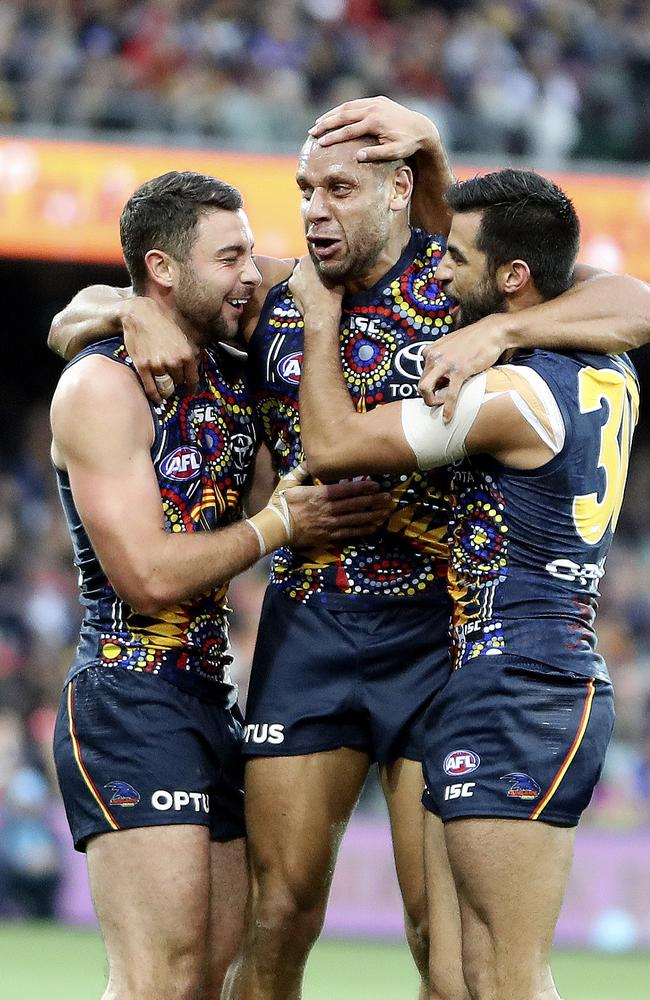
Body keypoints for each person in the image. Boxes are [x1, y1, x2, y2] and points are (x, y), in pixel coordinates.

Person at [47, 99, 650, 1000]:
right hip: (312, 630)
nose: (316, 210)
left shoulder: (459, 286)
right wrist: (127, 303)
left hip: (436, 639)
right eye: (304, 191)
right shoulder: (276, 295)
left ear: (399, 190)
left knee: (433, 936)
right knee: (279, 912)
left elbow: (633, 301)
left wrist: (500, 331)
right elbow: (111, 300)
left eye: (338, 188)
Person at [292, 167, 639, 1000]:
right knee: (474, 971)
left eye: (453, 258)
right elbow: (621, 296)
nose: (437, 273)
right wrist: (499, 331)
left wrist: (319, 318)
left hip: (525, 683)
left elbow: (334, 446)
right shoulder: (607, 361)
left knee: (510, 977)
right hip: (513, 676)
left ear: (513, 277)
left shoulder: (511, 395)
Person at [50, 169, 390, 1000]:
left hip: (210, 700)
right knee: (158, 981)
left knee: (209, 979)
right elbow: (145, 576)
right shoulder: (102, 384)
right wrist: (281, 525)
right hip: (128, 696)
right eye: (230, 255)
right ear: (163, 270)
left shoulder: (233, 374)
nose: (251, 273)